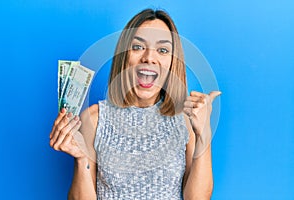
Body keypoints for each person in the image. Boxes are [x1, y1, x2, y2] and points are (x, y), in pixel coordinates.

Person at [50, 9, 221, 200]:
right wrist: (81, 160)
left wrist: (204, 132)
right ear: (124, 56)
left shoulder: (185, 121)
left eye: (162, 50)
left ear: (172, 63)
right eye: (138, 47)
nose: (149, 57)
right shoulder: (94, 119)